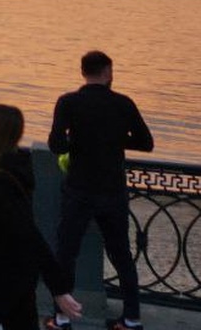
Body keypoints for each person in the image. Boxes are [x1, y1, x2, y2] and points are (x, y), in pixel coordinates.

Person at [0, 105, 83, 329]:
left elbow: (29, 233)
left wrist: (58, 289)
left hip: (0, 275)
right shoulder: (11, 167)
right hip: (17, 272)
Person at [46, 51, 154, 330]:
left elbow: (56, 144)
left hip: (79, 190)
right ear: (107, 71)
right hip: (113, 191)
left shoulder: (68, 102)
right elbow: (146, 142)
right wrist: (114, 138)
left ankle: (61, 318)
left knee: (66, 253)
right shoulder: (123, 103)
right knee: (122, 255)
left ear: (83, 72)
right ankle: (131, 318)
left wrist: (79, 141)